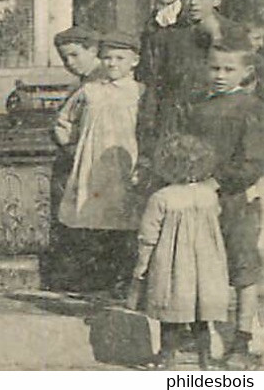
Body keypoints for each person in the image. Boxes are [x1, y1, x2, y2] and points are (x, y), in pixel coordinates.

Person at [186, 30, 264, 368]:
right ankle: (208, 335)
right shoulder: (198, 106)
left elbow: (253, 160)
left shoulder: (251, 107)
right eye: (214, 68)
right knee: (203, 266)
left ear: (247, 73)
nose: (219, 75)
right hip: (199, 198)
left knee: (242, 266)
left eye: (228, 70)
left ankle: (243, 339)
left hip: (235, 199)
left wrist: (217, 182)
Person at [53, 27, 144, 296]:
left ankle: (122, 279)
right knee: (92, 216)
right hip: (92, 164)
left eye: (119, 59)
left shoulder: (139, 92)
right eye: (107, 58)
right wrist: (70, 145)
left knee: (125, 220)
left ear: (134, 61)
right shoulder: (89, 91)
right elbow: (64, 121)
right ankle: (95, 279)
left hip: (125, 163)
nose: (112, 64)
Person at [135, 134, 229, 371]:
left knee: (171, 315)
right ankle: (205, 360)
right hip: (205, 264)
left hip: (173, 264)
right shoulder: (209, 196)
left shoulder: (161, 198)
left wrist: (141, 266)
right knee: (201, 316)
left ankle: (167, 358)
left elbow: (148, 235)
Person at [141, 0, 233, 148]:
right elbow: (154, 85)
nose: (193, 3)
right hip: (177, 124)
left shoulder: (234, 33)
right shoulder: (168, 36)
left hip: (222, 121)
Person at [44, 25, 105, 292]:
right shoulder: (83, 82)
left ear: (93, 51)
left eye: (74, 55)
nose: (69, 63)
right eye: (64, 58)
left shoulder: (98, 84)